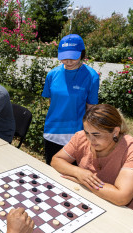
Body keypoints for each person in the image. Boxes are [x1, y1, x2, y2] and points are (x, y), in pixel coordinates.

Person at [51, 104, 133, 214]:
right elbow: (56, 160)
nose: (90, 139)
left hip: (124, 212)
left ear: (115, 132)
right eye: (87, 133)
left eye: (96, 135)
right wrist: (79, 172)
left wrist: (85, 182)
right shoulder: (81, 137)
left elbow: (121, 198)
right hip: (88, 200)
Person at [42, 34, 99, 165]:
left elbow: (91, 108)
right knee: (50, 169)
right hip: (52, 132)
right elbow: (53, 102)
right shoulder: (52, 74)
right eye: (64, 57)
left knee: (70, 175)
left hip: (75, 135)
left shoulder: (91, 76)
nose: (68, 61)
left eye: (73, 57)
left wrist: (89, 135)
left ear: (82, 54)